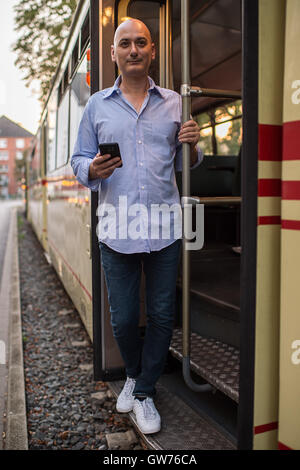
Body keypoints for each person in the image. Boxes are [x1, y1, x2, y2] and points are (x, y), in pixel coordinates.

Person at [71, 18, 203, 435]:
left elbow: (188, 164)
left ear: (152, 51)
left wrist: (194, 147)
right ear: (113, 54)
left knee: (163, 314)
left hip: (164, 227)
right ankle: (132, 372)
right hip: (117, 228)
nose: (132, 50)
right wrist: (91, 167)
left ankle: (144, 392)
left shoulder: (174, 104)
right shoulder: (96, 106)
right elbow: (78, 161)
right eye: (124, 43)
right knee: (124, 318)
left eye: (140, 43)